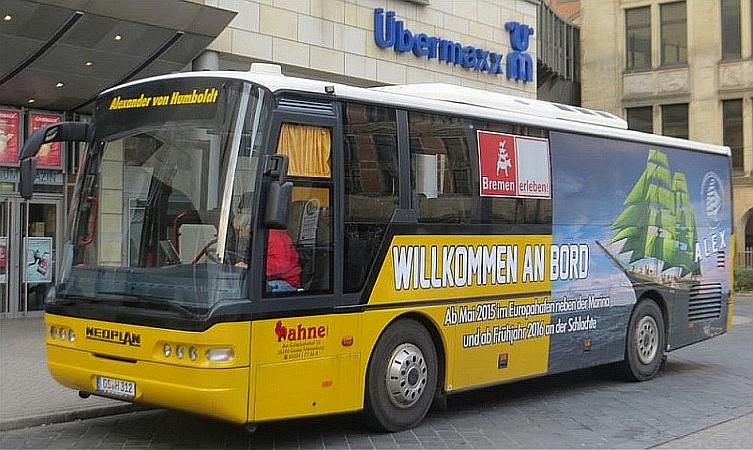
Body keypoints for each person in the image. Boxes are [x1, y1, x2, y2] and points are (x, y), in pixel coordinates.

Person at [232, 211, 302, 292]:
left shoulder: (273, 236)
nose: (240, 235)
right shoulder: (259, 239)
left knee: (249, 291)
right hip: (271, 279)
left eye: (240, 230)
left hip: (286, 282)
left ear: (248, 228)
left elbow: (281, 265)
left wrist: (251, 267)